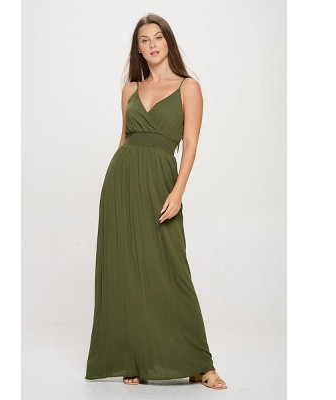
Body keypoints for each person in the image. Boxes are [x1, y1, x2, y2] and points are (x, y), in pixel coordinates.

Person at [84, 13, 227, 390]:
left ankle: (200, 364)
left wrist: (178, 192)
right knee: (127, 269)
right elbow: (124, 139)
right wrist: (112, 188)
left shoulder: (188, 86)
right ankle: (135, 357)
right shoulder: (130, 90)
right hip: (121, 182)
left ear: (168, 42)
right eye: (144, 40)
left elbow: (191, 143)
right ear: (138, 49)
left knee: (171, 269)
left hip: (161, 182)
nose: (152, 45)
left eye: (158, 37)